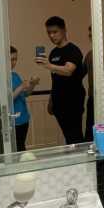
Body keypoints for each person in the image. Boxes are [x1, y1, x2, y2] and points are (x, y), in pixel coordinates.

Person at [36, 16, 85, 144]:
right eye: (49, 32)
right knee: (68, 136)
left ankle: (79, 157)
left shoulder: (73, 50)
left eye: (55, 32)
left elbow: (68, 71)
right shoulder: (53, 53)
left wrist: (48, 65)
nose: (51, 36)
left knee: (75, 138)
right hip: (58, 103)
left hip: (72, 102)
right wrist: (51, 100)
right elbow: (56, 79)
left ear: (64, 30)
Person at [10, 46, 39, 152]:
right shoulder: (2, 78)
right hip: (13, 122)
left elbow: (25, 94)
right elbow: (7, 100)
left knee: (21, 147)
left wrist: (32, 84)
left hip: (23, 119)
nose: (14, 62)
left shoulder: (15, 75)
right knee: (17, 150)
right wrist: (22, 86)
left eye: (15, 59)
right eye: (11, 59)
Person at [83, 25, 94, 141]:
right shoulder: (90, 55)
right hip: (92, 99)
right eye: (90, 36)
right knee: (90, 134)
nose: (91, 38)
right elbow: (79, 75)